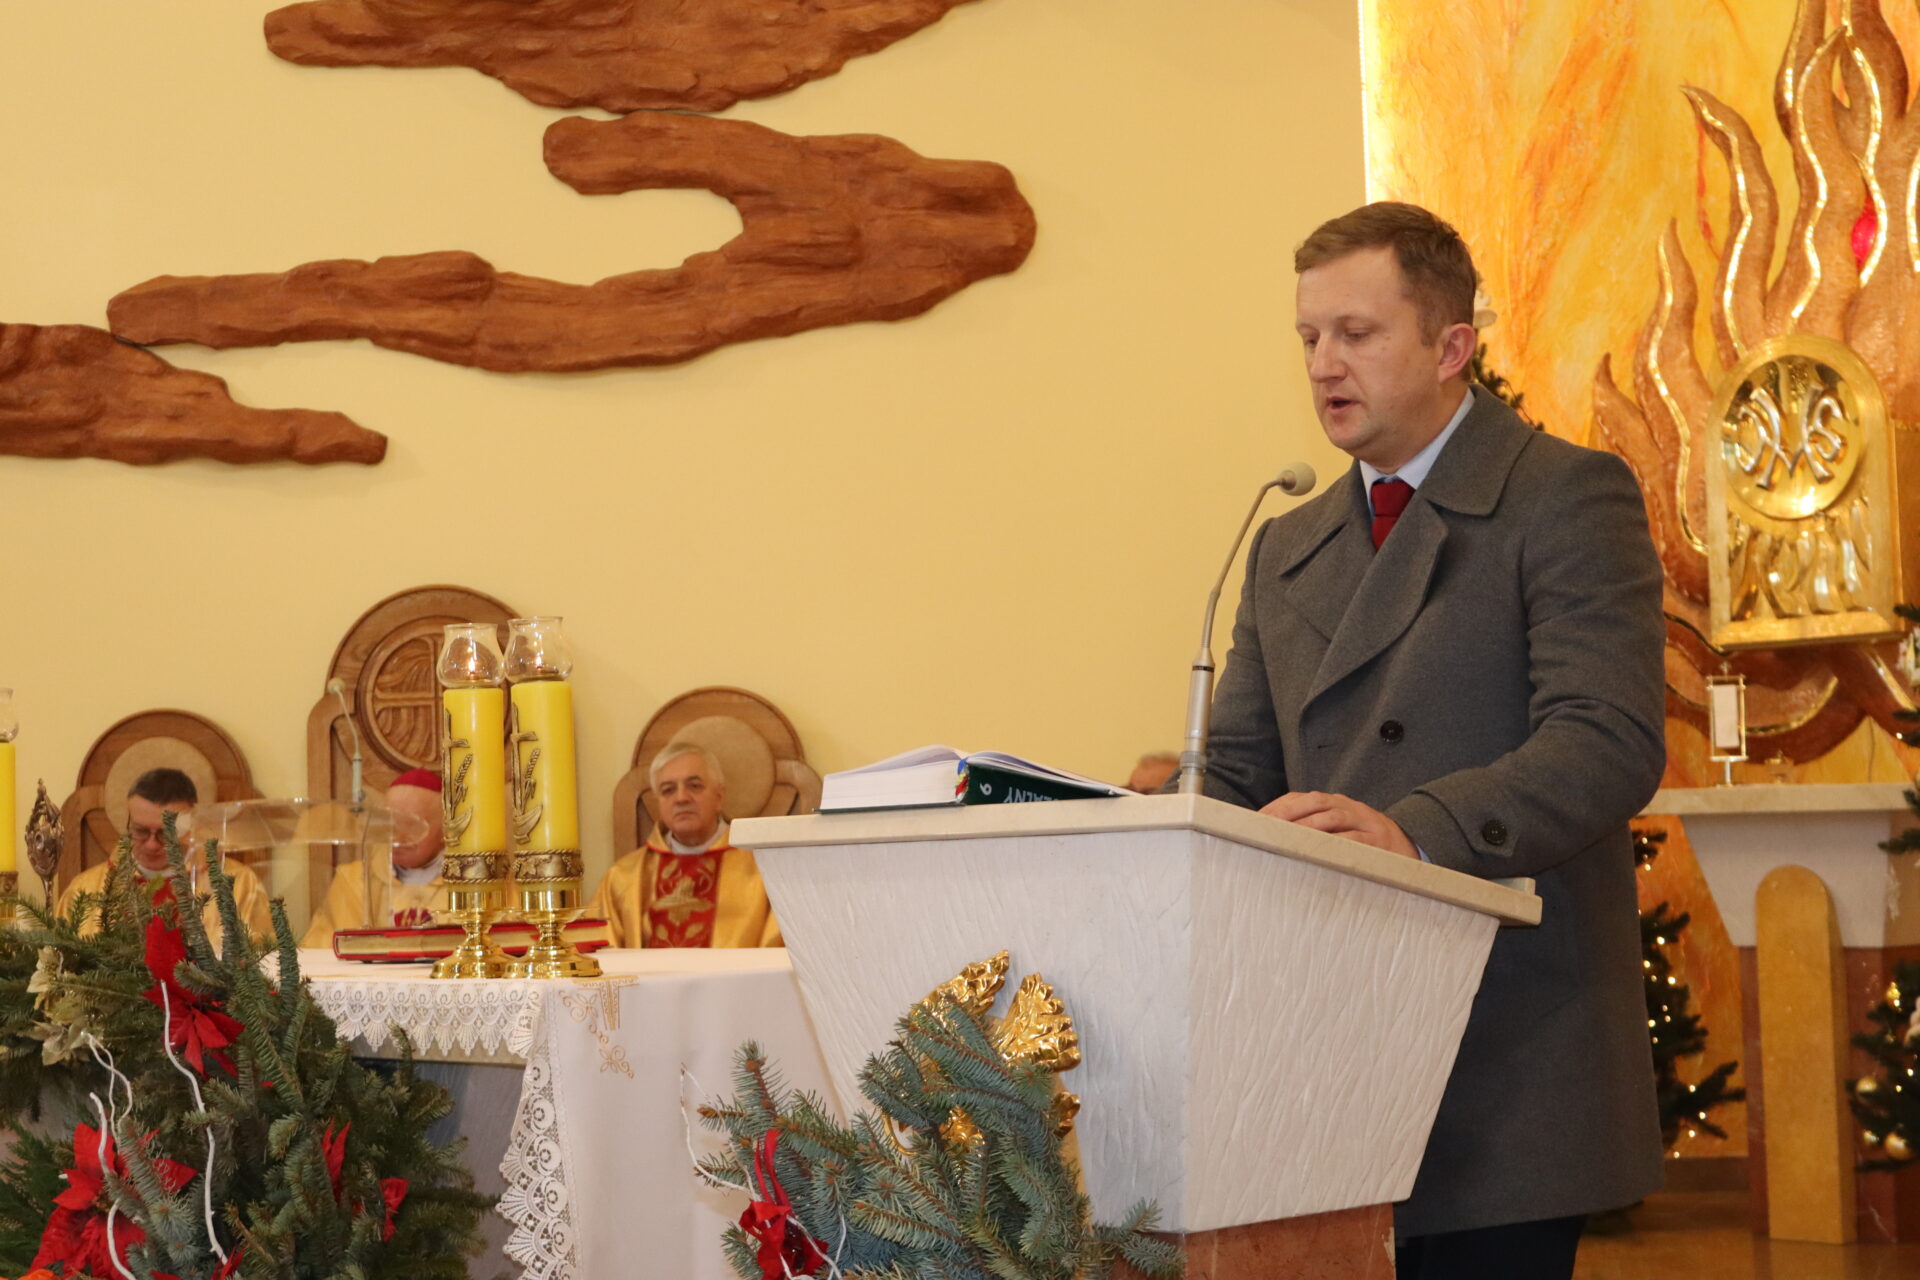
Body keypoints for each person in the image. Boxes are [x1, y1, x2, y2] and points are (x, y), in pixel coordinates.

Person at [1203, 202, 1665, 1279]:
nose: (1324, 363)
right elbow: (1234, 773)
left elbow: (1606, 738)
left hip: (1505, 1039)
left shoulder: (1563, 496)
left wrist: (1414, 834)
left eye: (1357, 334)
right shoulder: (1283, 544)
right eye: (1309, 336)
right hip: (1320, 1040)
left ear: (1452, 347)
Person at [585, 742, 781, 948]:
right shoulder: (623, 877)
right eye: (668, 790)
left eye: (694, 786)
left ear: (719, 797)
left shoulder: (765, 871)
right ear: (659, 803)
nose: (681, 798)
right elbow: (599, 954)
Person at [58, 766, 274, 945]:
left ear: (190, 827)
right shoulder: (85, 889)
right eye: (141, 831)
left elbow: (264, 964)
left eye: (166, 833)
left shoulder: (239, 885)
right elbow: (57, 968)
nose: (152, 844)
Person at [301, 768, 448, 946]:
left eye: (412, 826)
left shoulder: (469, 883)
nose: (398, 838)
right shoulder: (354, 880)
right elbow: (326, 948)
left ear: (445, 829)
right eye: (390, 824)